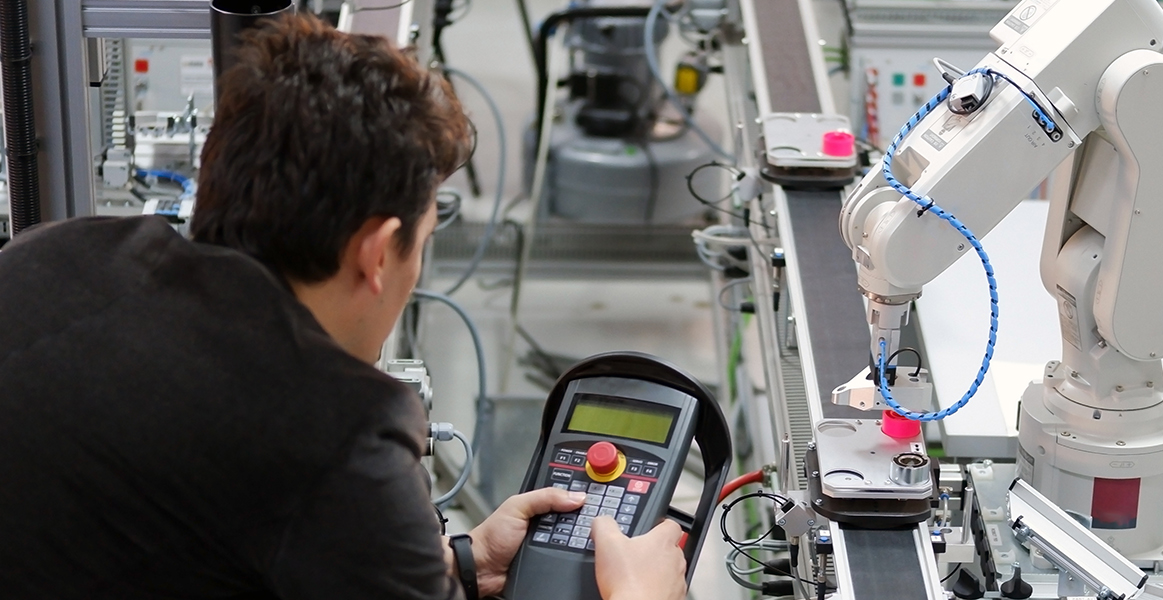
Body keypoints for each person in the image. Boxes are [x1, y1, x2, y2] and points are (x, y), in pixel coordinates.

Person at [0, 13, 683, 600]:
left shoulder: (50, 255)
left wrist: (458, 566)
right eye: (422, 242)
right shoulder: (338, 435)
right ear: (378, 253)